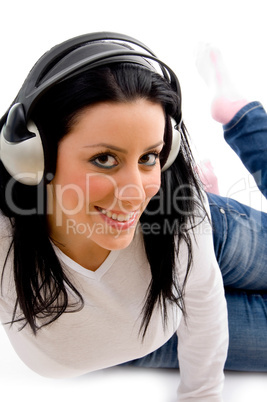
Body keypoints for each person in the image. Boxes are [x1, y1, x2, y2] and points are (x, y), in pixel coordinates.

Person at [0, 33, 263, 400]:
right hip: (161, 328)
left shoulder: (176, 208)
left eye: (150, 157)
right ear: (32, 157)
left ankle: (241, 115)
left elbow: (204, 299)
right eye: (104, 159)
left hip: (199, 231)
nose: (135, 192)